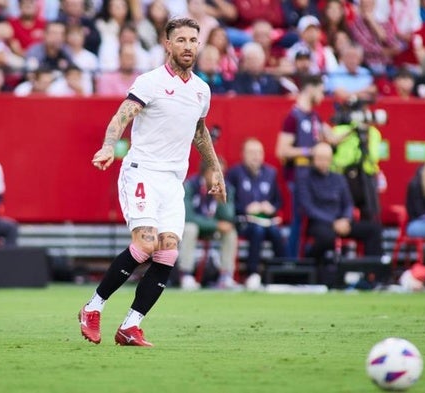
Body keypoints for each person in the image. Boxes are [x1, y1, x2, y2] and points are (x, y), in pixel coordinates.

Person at [78, 17, 226, 347]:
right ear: (167, 44)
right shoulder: (151, 81)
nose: (188, 46)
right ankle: (93, 307)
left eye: (193, 40)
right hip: (142, 170)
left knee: (168, 253)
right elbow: (122, 114)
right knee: (145, 244)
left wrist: (214, 169)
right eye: (181, 40)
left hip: (174, 181)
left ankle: (131, 325)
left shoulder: (202, 90)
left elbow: (199, 132)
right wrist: (107, 145)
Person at [295, 143, 383, 276]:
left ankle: (372, 274)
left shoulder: (339, 178)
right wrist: (333, 222)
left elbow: (348, 203)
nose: (323, 162)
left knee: (373, 230)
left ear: (331, 159)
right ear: (313, 159)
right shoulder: (305, 179)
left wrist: (346, 219)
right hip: (319, 223)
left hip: (342, 221)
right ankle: (317, 270)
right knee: (326, 237)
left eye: (326, 158)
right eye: (319, 158)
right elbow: (308, 207)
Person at [275, 75, 338, 257]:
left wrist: (354, 125)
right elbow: (282, 151)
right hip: (297, 177)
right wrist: (310, 152)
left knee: (305, 221)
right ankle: (292, 261)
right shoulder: (293, 117)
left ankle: (304, 259)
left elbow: (332, 138)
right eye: (320, 90)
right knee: (298, 220)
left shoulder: (315, 117)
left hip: (312, 178)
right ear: (310, 88)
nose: (322, 95)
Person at [226, 138, 286, 290]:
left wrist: (271, 208)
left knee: (276, 233)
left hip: (266, 221)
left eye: (259, 152)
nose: (256, 156)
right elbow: (228, 200)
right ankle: (253, 274)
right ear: (243, 155)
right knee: (257, 231)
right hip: (244, 221)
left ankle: (282, 272)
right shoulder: (234, 173)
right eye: (251, 152)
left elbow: (278, 201)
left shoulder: (271, 173)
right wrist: (245, 208)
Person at [179, 159, 239, 290]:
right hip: (196, 226)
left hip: (213, 229)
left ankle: (226, 276)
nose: (219, 177)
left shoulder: (227, 187)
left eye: (221, 173)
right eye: (216, 173)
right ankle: (186, 275)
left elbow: (229, 217)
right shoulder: (190, 185)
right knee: (190, 229)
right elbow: (187, 216)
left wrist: (220, 200)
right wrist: (216, 225)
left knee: (230, 231)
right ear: (205, 172)